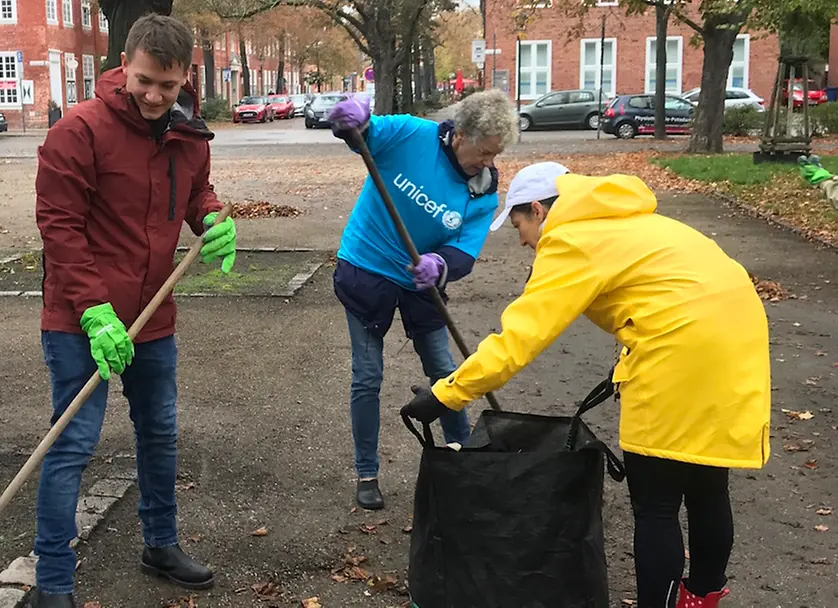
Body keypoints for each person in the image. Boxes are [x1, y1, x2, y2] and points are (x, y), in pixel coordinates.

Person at [402, 162, 771, 608]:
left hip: (678, 352)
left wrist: (445, 394)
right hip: (739, 343)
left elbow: (519, 339)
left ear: (538, 210)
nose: (521, 239)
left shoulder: (571, 240)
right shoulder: (631, 222)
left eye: (518, 224)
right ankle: (702, 598)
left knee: (656, 503)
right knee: (707, 485)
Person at [32, 14, 236, 608]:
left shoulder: (187, 133)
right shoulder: (79, 131)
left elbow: (196, 193)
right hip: (81, 319)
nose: (154, 97)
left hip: (153, 312)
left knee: (160, 434)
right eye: (145, 81)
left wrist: (214, 218)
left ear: (183, 79)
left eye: (167, 87)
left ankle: (161, 543)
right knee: (71, 445)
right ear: (125, 65)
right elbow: (60, 228)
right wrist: (95, 311)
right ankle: (52, 582)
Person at [327, 89, 517, 510]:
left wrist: (441, 263)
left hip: (421, 283)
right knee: (368, 374)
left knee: (446, 370)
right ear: (460, 134)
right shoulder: (411, 135)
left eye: (495, 154)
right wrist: (351, 121)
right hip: (367, 268)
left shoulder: (482, 190)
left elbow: (466, 250)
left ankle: (460, 456)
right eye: (484, 152)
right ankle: (366, 472)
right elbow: (362, 132)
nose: (488, 163)